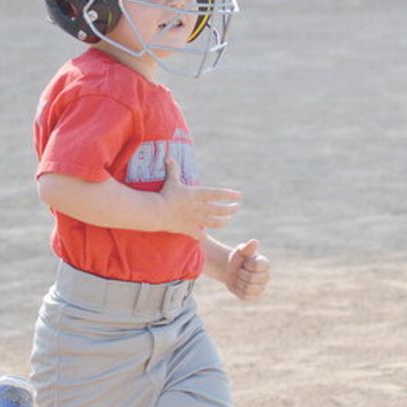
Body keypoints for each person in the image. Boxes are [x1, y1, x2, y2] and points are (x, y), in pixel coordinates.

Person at [28, 0, 271, 406]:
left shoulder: (152, 94)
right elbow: (60, 185)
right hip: (96, 336)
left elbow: (159, 225)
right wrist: (162, 211)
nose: (180, 3)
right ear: (95, 7)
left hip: (179, 326)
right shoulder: (100, 87)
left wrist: (221, 263)